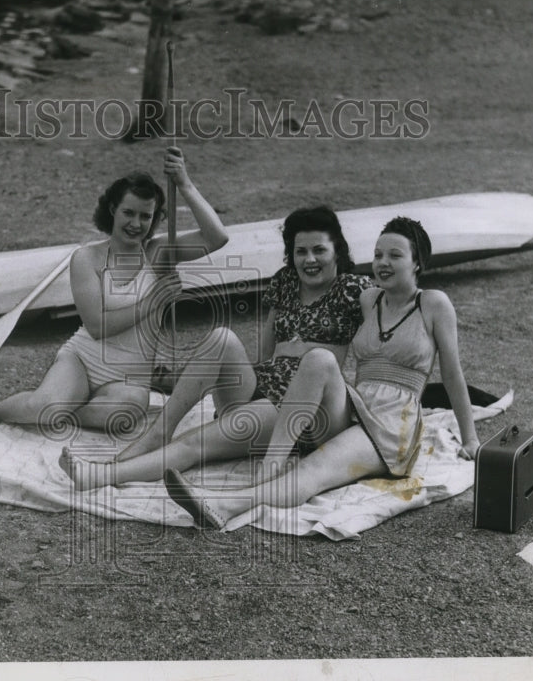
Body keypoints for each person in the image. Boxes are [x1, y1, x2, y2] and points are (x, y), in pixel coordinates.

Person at [163, 216, 481, 530]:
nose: (383, 262)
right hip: (354, 407)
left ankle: (223, 505)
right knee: (318, 359)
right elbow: (318, 296)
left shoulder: (434, 304)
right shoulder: (370, 299)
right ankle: (269, 465)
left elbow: (452, 374)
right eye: (378, 254)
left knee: (314, 469)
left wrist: (470, 439)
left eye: (395, 255)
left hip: (392, 424)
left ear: (417, 262)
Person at [59, 205, 373, 489]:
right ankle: (159, 432)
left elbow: (385, 333)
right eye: (300, 251)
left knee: (194, 443)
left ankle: (100, 476)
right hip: (267, 389)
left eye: (319, 250)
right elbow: (264, 354)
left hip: (312, 407)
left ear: (337, 250)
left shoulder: (354, 288)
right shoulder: (285, 282)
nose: (310, 260)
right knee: (222, 337)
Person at [0, 146, 228, 431]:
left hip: (130, 377)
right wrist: (155, 300)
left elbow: (217, 237)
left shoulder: (159, 252)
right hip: (84, 360)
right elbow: (98, 326)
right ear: (113, 209)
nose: (136, 224)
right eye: (129, 213)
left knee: (122, 417)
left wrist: (185, 184)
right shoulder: (86, 258)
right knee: (40, 408)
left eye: (145, 216)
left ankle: (67, 411)